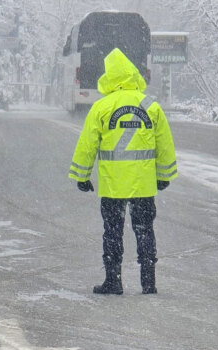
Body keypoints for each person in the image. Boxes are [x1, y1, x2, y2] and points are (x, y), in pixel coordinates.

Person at [69, 48, 178, 295]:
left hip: (112, 185)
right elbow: (164, 144)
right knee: (144, 231)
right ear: (132, 74)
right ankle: (148, 283)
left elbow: (87, 144)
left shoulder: (101, 107)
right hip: (143, 184)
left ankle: (113, 281)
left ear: (110, 76)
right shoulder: (151, 106)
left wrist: (82, 176)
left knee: (113, 232)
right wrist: (164, 176)